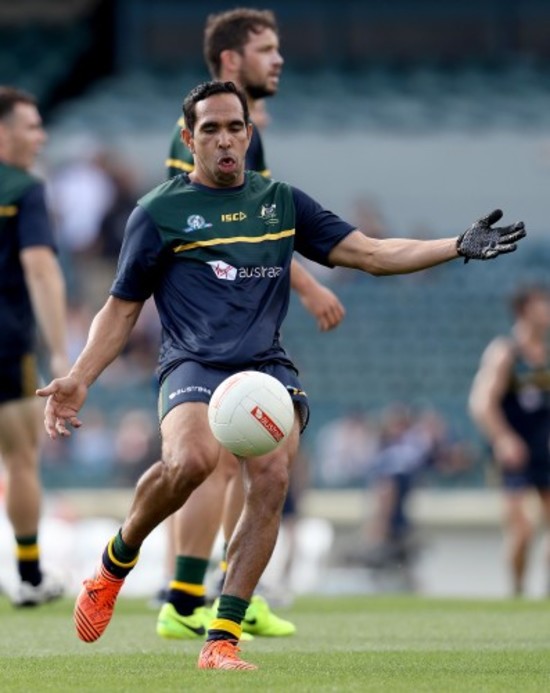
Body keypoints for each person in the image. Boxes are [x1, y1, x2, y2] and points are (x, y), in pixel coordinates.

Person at [38, 80, 525, 671]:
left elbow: (369, 253)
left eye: (235, 127)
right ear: (188, 138)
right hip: (192, 362)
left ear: (250, 134)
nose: (224, 139)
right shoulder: (157, 212)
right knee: (190, 464)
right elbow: (120, 310)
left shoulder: (281, 203)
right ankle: (116, 560)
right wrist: (80, 377)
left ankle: (221, 639)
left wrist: (456, 245)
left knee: (270, 479)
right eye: (210, 129)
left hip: (264, 368)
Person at [157, 7, 345, 641]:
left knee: (250, 452)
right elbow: (229, 232)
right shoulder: (227, 132)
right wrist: (312, 282)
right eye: (267, 49)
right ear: (232, 62)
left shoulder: (221, 126)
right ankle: (188, 599)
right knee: (225, 456)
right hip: (212, 318)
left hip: (226, 316)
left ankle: (213, 594)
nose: (279, 59)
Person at [0, 86, 68, 606]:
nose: (40, 135)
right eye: (31, 126)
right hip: (7, 342)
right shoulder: (24, 187)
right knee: (20, 458)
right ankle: (28, 577)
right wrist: (62, 352)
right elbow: (40, 267)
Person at [469, 285, 550, 597]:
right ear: (525, 310)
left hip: (543, 449)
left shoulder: (545, 356)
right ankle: (516, 591)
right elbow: (480, 403)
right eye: (542, 305)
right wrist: (503, 439)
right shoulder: (505, 352)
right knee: (524, 528)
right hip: (515, 452)